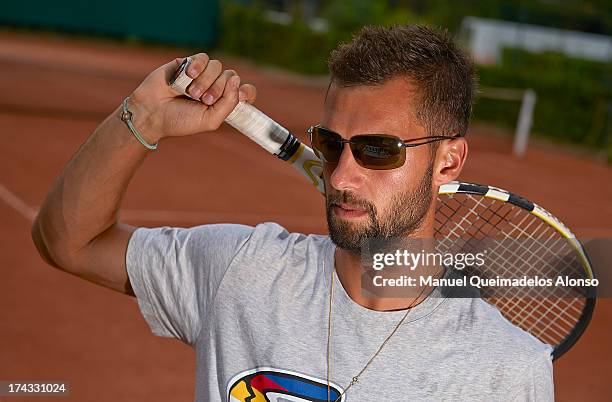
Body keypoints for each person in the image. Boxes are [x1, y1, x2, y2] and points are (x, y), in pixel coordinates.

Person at [31, 25, 553, 401]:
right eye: (330, 144)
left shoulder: (506, 369)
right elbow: (66, 242)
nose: (341, 177)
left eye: (378, 150)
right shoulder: (243, 270)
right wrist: (141, 118)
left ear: (448, 161)